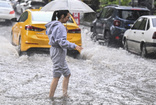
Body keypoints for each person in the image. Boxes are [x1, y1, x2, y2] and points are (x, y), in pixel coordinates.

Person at [45, 10, 83, 99]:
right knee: (56, 76)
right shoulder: (60, 27)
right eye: (67, 17)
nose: (68, 19)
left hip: (56, 51)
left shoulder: (54, 25)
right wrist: (74, 46)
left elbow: (54, 37)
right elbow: (62, 42)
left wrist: (63, 32)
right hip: (58, 52)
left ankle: (64, 95)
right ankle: (50, 98)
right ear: (62, 16)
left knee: (67, 73)